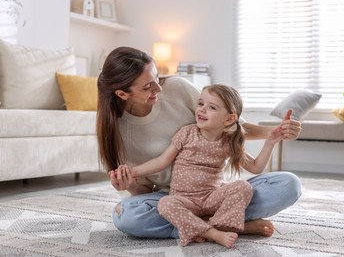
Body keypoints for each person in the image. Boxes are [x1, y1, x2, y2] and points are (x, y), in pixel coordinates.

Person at [96, 46, 302, 241]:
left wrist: (276, 133)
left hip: (216, 195)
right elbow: (153, 176)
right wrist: (131, 181)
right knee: (126, 216)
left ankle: (198, 226)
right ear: (123, 94)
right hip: (174, 199)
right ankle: (225, 225)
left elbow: (235, 128)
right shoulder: (118, 132)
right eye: (148, 86)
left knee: (288, 185)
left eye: (157, 78)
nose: (159, 88)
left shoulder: (177, 88)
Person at [125, 84, 285, 248]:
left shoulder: (229, 142)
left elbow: (256, 168)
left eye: (212, 107)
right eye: (201, 103)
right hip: (183, 200)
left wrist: (270, 142)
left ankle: (205, 227)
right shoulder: (187, 133)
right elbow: (161, 161)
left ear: (229, 119)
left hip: (211, 199)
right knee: (165, 204)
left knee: (243, 186)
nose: (202, 110)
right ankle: (213, 233)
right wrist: (133, 171)